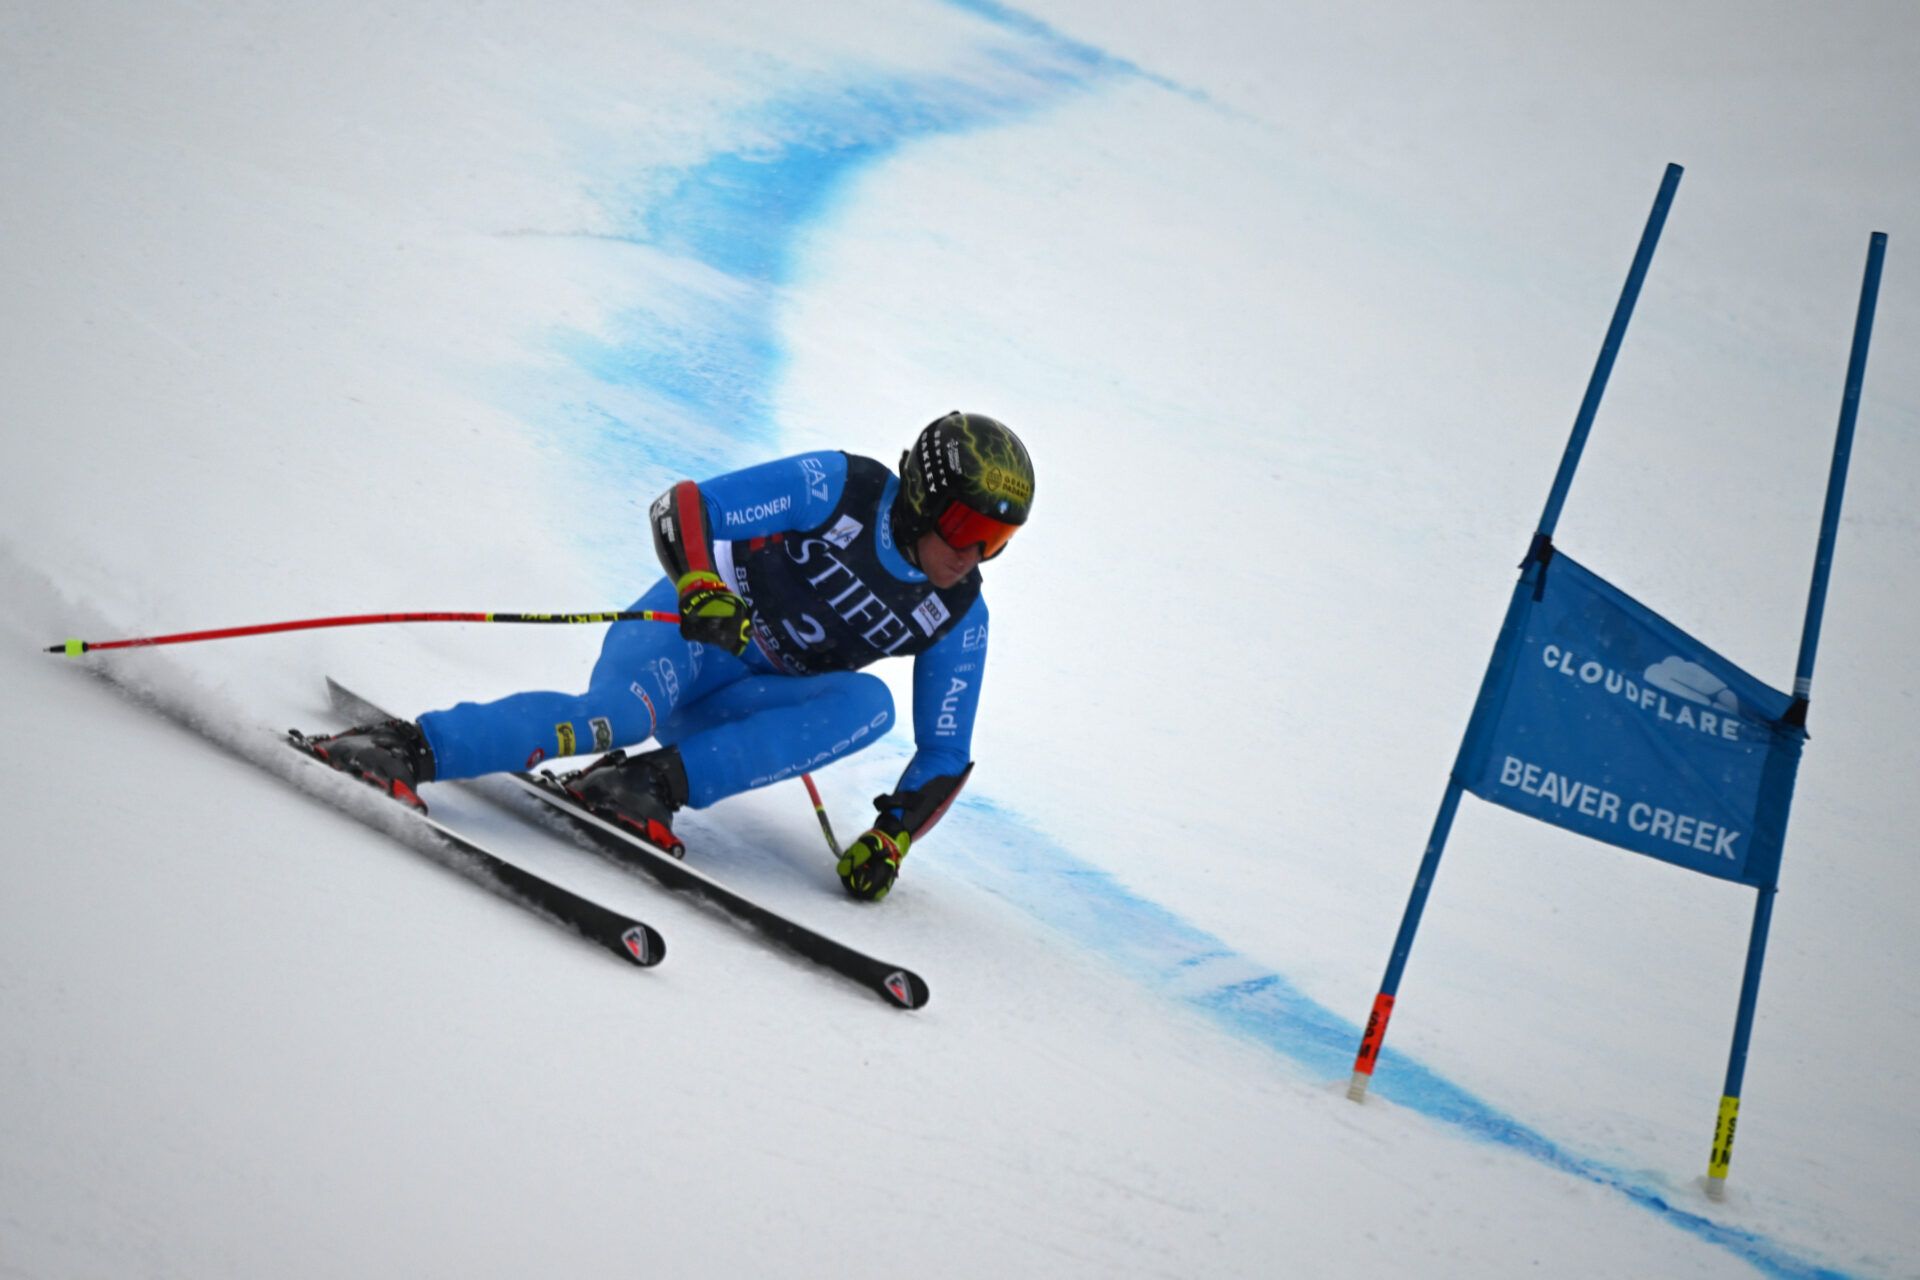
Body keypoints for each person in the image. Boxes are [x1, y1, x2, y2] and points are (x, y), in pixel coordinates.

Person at [299, 411, 1034, 902]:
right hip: (684, 638)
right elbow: (684, 504)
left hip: (733, 703)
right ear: (921, 501)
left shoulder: (959, 612)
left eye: (997, 542)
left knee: (867, 706)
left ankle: (647, 786)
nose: (974, 556)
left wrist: (890, 838)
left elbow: (945, 749)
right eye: (967, 527)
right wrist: (702, 584)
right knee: (614, 714)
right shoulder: (842, 488)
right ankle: (405, 747)